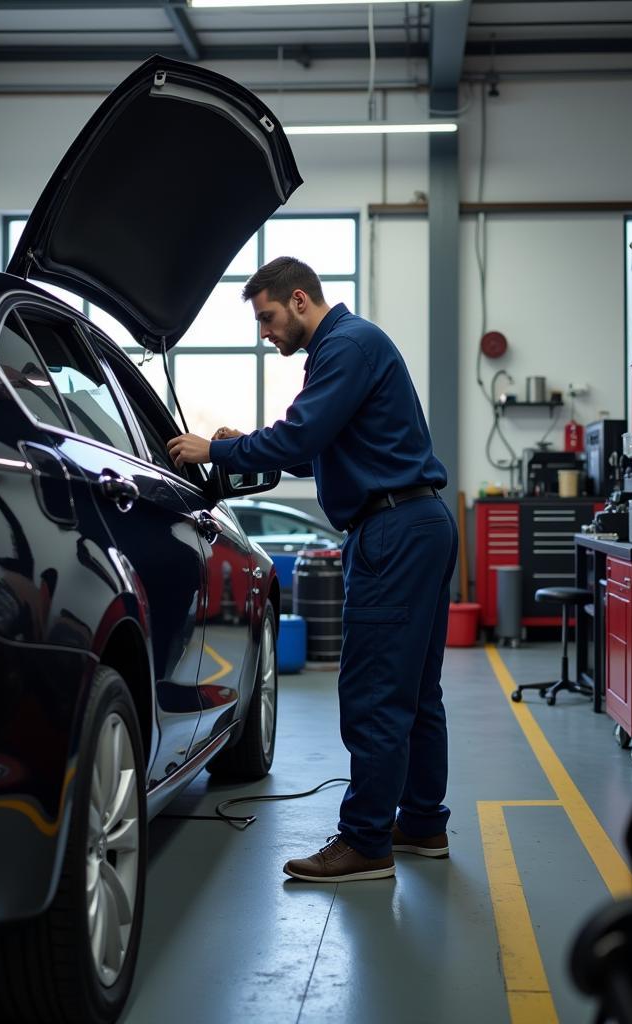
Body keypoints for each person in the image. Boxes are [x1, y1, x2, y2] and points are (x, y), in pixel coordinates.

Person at [167, 256, 457, 883]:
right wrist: (243, 443)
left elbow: (299, 439)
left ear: (300, 300)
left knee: (374, 691)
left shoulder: (344, 347)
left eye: (268, 319)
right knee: (415, 690)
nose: (266, 334)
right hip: (419, 522)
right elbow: (310, 448)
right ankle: (424, 823)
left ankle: (365, 843)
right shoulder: (354, 347)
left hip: (392, 532)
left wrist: (213, 449)